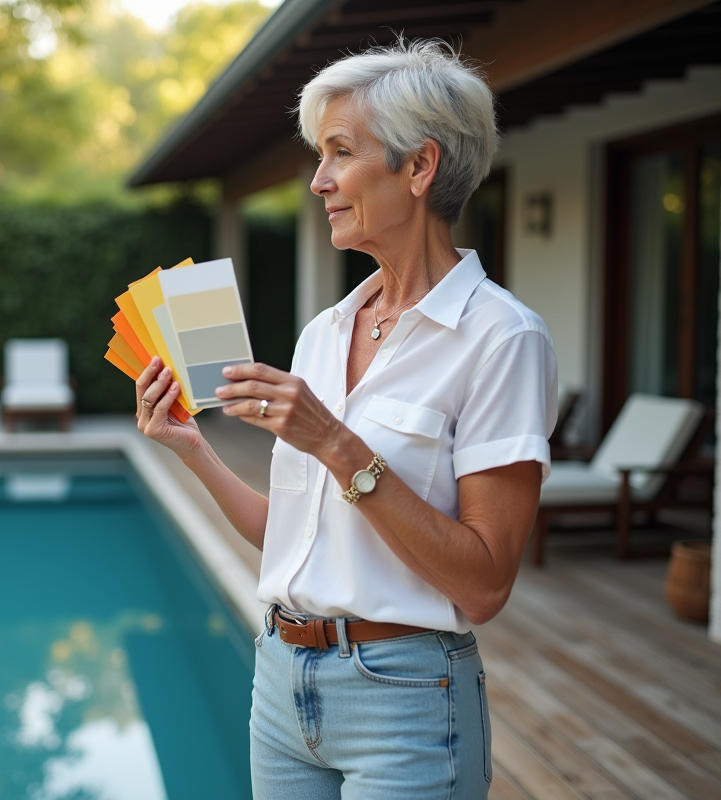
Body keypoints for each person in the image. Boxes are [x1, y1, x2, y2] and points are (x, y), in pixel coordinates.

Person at [134, 40, 557, 799]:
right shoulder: (325, 332)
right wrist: (192, 449)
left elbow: (486, 584)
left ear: (419, 167)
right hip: (281, 682)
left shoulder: (502, 337)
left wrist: (334, 443)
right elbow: (291, 539)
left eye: (339, 152)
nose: (319, 181)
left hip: (405, 700)